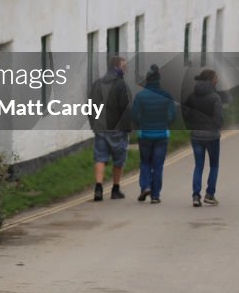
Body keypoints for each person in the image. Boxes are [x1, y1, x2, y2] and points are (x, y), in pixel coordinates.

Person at [131, 64, 176, 203]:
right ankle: (155, 196)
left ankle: (145, 186)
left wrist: (141, 124)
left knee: (145, 162)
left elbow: (134, 115)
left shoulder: (140, 96)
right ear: (159, 80)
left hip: (145, 135)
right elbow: (172, 116)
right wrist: (165, 123)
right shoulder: (166, 96)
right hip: (162, 135)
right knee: (158, 166)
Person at [89, 56, 132, 201]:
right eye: (123, 65)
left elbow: (90, 106)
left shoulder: (96, 84)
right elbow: (126, 109)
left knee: (100, 158)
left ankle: (98, 188)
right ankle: (115, 189)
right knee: (119, 160)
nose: (125, 68)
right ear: (117, 67)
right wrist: (127, 128)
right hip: (118, 130)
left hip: (100, 127)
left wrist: (93, 124)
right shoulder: (121, 85)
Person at [182, 69, 224, 207]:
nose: (217, 80)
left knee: (198, 166)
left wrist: (191, 126)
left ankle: (195, 196)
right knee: (214, 165)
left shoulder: (191, 96)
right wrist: (217, 127)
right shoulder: (215, 97)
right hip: (212, 137)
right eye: (216, 77)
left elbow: (185, 113)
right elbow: (218, 118)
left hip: (196, 135)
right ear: (211, 80)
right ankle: (210, 195)